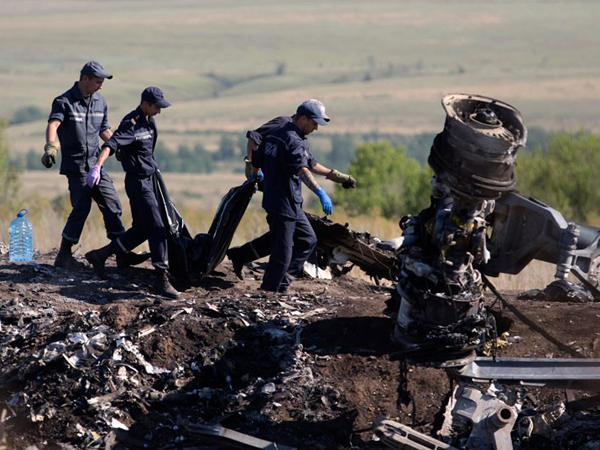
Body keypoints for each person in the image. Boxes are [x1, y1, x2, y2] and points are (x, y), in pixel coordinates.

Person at [227, 102, 356, 280]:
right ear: (303, 119)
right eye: (314, 123)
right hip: (282, 199)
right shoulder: (287, 133)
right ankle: (272, 287)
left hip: (288, 199)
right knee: (283, 248)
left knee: (302, 239)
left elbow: (308, 162)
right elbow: (301, 168)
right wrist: (319, 192)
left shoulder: (294, 136)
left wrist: (336, 176)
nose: (317, 128)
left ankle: (245, 258)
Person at [43, 61, 148, 270]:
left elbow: (104, 129)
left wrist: (118, 146)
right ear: (85, 79)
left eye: (102, 82)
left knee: (112, 205)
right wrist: (51, 147)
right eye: (98, 82)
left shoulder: (100, 101)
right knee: (81, 207)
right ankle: (63, 255)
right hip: (76, 165)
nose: (101, 86)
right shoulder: (64, 101)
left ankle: (121, 253)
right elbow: (53, 124)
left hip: (95, 165)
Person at [84, 87, 180, 299]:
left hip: (150, 180)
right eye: (156, 106)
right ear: (144, 103)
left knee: (142, 229)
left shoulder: (149, 121)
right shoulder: (132, 123)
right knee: (157, 225)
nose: (159, 111)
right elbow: (111, 143)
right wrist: (97, 166)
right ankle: (161, 278)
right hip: (138, 183)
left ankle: (100, 255)